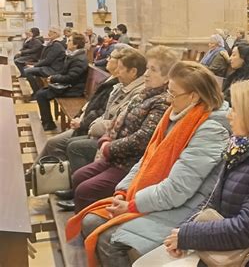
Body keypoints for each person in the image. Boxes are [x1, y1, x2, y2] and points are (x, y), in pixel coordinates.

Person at [65, 61, 230, 267]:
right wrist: (123, 192)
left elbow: (178, 189)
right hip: (160, 197)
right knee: (91, 220)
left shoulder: (211, 130)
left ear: (193, 96)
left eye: (173, 93)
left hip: (187, 208)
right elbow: (146, 160)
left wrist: (133, 205)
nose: (169, 99)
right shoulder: (177, 116)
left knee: (110, 240)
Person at [162, 78, 249, 267]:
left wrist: (188, 236)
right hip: (221, 250)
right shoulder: (241, 148)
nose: (228, 116)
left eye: (235, 110)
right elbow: (211, 200)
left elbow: (246, 229)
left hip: (246, 260)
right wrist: (182, 231)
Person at [57, 46, 178, 212]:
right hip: (116, 155)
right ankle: (84, 210)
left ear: (167, 78)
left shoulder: (161, 102)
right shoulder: (144, 93)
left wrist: (109, 147)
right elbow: (118, 118)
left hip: (130, 162)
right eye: (148, 68)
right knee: (79, 176)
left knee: (86, 189)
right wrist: (107, 137)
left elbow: (142, 139)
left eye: (153, 70)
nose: (146, 74)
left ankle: (87, 225)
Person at [66, 47, 146, 172]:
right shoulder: (119, 85)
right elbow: (105, 112)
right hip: (99, 130)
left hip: (113, 139)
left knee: (74, 146)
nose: (117, 72)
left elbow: (118, 121)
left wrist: (87, 125)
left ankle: (81, 181)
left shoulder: (137, 93)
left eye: (120, 68)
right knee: (70, 143)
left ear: (133, 72)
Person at [35, 33, 88, 131]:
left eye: (69, 41)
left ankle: (48, 124)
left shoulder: (79, 59)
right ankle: (47, 122)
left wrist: (54, 78)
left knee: (40, 95)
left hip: (74, 89)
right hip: (68, 86)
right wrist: (54, 77)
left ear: (76, 45)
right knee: (41, 92)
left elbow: (71, 77)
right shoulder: (73, 55)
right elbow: (65, 73)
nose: (67, 43)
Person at [24, 26, 66, 95]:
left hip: (54, 69)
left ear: (55, 34)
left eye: (50, 32)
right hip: (49, 66)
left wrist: (34, 66)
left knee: (27, 71)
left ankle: (36, 92)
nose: (48, 34)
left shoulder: (57, 45)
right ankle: (38, 90)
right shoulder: (53, 43)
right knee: (27, 69)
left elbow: (48, 60)